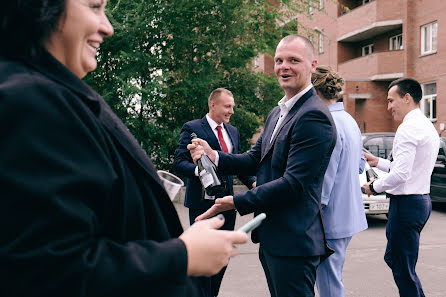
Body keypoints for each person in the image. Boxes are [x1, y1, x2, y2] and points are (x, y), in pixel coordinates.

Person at [0, 1, 248, 297]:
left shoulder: (54, 92)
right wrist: (182, 255)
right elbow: (50, 271)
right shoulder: (31, 102)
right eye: (94, 6)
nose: (108, 27)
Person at [189, 35, 337, 297]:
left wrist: (236, 201)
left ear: (313, 65)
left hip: (294, 242)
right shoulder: (278, 111)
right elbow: (253, 158)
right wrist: (215, 156)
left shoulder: (313, 116)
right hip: (273, 236)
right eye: (279, 60)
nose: (284, 66)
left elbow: (294, 184)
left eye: (294, 60)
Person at [172, 87, 256, 297]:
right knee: (203, 263)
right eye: (228, 106)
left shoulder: (233, 131)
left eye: (232, 107)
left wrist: (253, 183)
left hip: (228, 205)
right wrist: (201, 172)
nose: (232, 111)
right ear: (213, 104)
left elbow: (236, 164)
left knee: (221, 260)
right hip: (203, 206)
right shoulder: (192, 128)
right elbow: (179, 163)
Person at [363, 78, 439, 297]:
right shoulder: (426, 125)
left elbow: (401, 174)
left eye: (390, 100)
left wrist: (374, 186)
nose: (388, 107)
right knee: (400, 261)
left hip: (406, 205)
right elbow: (409, 168)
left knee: (402, 266)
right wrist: (379, 162)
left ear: (407, 98)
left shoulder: (407, 128)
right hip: (419, 201)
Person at [311, 66, 368, 297]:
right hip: (348, 214)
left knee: (329, 282)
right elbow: (360, 165)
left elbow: (326, 177)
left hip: (329, 217)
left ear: (314, 91)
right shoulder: (349, 120)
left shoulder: (327, 121)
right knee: (333, 277)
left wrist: (314, 212)